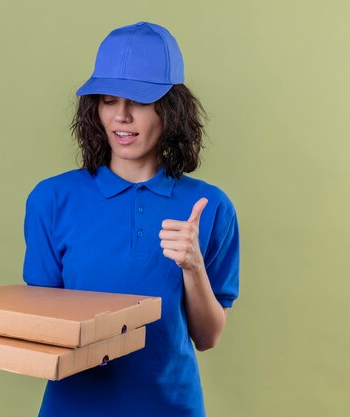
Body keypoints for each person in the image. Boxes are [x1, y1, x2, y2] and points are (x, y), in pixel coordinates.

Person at [23, 21, 240, 417]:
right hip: (73, 408)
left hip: (169, 407)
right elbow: (44, 332)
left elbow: (207, 338)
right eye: (108, 100)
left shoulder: (210, 206)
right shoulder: (51, 200)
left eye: (138, 102)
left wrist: (193, 266)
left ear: (171, 109)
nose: (121, 117)